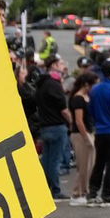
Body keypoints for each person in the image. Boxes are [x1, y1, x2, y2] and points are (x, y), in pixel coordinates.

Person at [34, 56, 71, 199]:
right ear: (54, 65)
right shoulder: (54, 85)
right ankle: (55, 190)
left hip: (45, 126)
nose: (64, 66)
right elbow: (63, 108)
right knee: (55, 161)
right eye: (61, 63)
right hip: (57, 126)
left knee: (47, 160)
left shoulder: (41, 84)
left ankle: (44, 187)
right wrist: (71, 121)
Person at [89, 59, 110, 207]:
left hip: (100, 130)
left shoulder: (94, 90)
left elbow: (91, 111)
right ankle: (106, 195)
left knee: (99, 163)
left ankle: (92, 192)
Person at [68, 71, 97, 204]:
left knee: (89, 165)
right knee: (83, 165)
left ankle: (84, 191)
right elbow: (79, 121)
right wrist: (86, 137)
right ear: (86, 84)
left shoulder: (86, 96)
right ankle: (77, 193)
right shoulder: (78, 98)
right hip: (80, 135)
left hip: (88, 132)